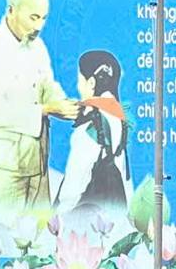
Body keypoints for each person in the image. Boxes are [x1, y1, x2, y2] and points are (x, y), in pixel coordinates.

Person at [0, 0, 80, 250]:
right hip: (0, 170)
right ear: (11, 10)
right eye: (33, 17)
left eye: (44, 18)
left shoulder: (37, 47)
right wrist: (47, 109)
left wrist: (63, 103)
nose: (39, 26)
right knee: (2, 246)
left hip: (35, 164)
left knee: (40, 248)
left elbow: (47, 84)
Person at [53, 49, 132, 232]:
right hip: (113, 218)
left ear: (91, 82)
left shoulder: (90, 125)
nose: (78, 86)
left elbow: (73, 186)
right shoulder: (119, 118)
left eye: (80, 80)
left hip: (86, 223)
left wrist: (57, 217)